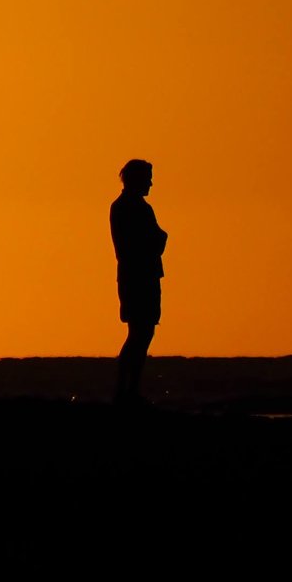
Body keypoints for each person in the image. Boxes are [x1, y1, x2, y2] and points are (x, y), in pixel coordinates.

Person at [110, 158, 166, 405]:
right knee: (138, 334)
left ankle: (129, 390)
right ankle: (126, 391)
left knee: (142, 333)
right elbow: (153, 241)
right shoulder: (129, 208)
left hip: (143, 277)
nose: (151, 183)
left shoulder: (136, 207)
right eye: (148, 178)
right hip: (137, 278)